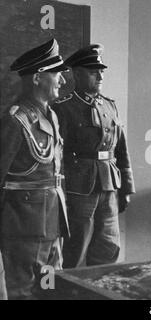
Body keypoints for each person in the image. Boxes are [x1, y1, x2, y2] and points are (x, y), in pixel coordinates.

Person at [53, 44, 135, 268]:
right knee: (76, 247)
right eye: (93, 71)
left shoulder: (110, 106)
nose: (100, 76)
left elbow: (121, 150)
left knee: (108, 246)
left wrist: (127, 187)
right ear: (77, 74)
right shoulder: (63, 108)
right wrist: (60, 194)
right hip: (78, 188)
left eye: (101, 71)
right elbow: (56, 158)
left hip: (109, 187)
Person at [0, 39, 69, 299]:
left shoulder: (49, 115)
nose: (62, 81)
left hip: (51, 225)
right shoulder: (15, 120)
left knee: (50, 289)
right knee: (23, 293)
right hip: (23, 229)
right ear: (38, 78)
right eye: (57, 74)